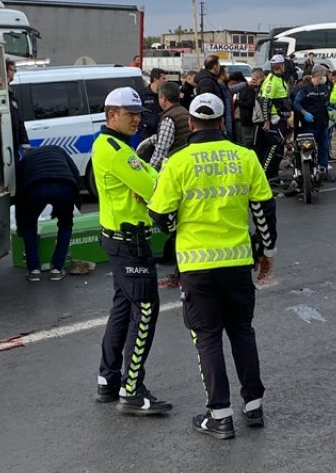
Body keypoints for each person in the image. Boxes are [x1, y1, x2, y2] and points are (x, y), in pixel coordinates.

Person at [148, 93, 277, 440]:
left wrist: (176, 229)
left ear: (190, 123)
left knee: (207, 337)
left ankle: (219, 416)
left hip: (196, 266)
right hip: (237, 262)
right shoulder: (245, 157)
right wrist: (266, 251)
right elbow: (264, 210)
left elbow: (160, 215)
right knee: (242, 331)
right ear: (222, 122)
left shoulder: (177, 162)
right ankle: (254, 406)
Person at [92, 87, 172, 416]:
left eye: (139, 114)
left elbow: (148, 177)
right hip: (130, 243)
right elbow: (156, 186)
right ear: (112, 115)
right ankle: (132, 389)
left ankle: (108, 380)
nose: (137, 120)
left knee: (123, 311)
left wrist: (149, 180)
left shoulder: (113, 146)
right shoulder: (114, 150)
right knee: (146, 313)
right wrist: (153, 183)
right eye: (130, 114)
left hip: (120, 239)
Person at [15, 145, 81, 281]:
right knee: (65, 225)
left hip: (35, 188)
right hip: (64, 185)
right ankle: (57, 268)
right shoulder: (58, 149)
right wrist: (75, 202)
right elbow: (75, 173)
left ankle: (34, 270)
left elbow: (19, 191)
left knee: (29, 225)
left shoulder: (26, 158)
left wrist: (21, 225)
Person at [257, 55, 293, 184]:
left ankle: (273, 175)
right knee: (272, 149)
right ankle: (264, 177)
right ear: (281, 66)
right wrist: (267, 121)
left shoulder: (280, 79)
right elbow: (265, 101)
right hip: (274, 120)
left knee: (279, 148)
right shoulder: (271, 81)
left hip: (282, 118)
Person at [293, 64, 332, 180]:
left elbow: (326, 102)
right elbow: (296, 104)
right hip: (310, 126)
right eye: (324, 75)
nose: (325, 77)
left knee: (324, 148)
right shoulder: (305, 89)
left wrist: (330, 108)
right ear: (318, 75)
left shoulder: (324, 88)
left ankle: (323, 172)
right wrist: (305, 113)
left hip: (323, 124)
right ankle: (308, 172)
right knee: (308, 149)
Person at [149, 82, 192, 170]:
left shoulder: (169, 118)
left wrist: (149, 170)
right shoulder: (185, 112)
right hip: (187, 163)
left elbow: (161, 152)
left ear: (163, 98)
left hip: (175, 167)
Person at [6, 60, 28, 163]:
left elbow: (19, 121)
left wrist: (25, 142)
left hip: (13, 146)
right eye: (12, 70)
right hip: (4, 146)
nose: (14, 72)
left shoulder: (11, 96)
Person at [235, 68, 263, 149]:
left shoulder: (253, 89)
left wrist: (237, 101)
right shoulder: (251, 88)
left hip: (251, 119)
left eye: (253, 78)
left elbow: (250, 104)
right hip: (248, 119)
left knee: (247, 141)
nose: (251, 80)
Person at [138, 68, 166, 139]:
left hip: (161, 132)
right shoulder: (143, 94)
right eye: (163, 78)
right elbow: (138, 112)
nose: (165, 81)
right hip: (146, 133)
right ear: (155, 79)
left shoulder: (164, 95)